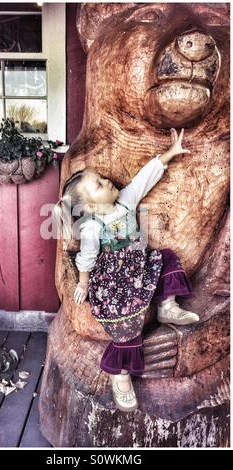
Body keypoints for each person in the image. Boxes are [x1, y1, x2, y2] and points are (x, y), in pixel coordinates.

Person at [54, 128, 199, 412]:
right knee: (126, 326)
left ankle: (167, 306)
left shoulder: (125, 202)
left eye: (102, 178)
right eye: (98, 184)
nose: (107, 181)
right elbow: (87, 257)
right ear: (91, 207)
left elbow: (144, 179)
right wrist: (83, 283)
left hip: (138, 266)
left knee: (167, 259)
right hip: (115, 281)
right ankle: (119, 374)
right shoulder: (93, 226)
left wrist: (168, 154)